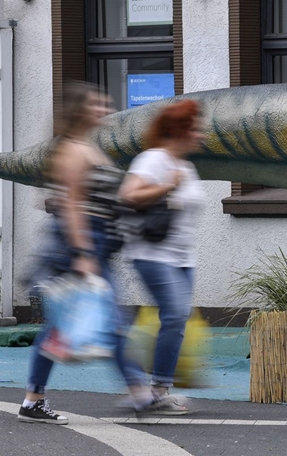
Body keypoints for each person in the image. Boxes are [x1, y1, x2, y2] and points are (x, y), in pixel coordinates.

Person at [17, 82, 177, 425]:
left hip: (96, 243)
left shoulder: (84, 146)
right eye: (97, 104)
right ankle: (140, 394)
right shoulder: (73, 151)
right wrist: (83, 253)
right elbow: (72, 206)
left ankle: (34, 398)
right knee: (111, 322)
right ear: (79, 111)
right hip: (84, 244)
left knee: (63, 325)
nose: (106, 108)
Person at [118, 99, 206, 406]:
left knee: (175, 319)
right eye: (195, 128)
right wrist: (167, 187)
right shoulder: (153, 159)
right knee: (176, 314)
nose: (201, 134)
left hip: (182, 258)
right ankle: (155, 389)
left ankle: (154, 387)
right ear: (179, 130)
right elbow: (128, 194)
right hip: (151, 253)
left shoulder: (187, 166)